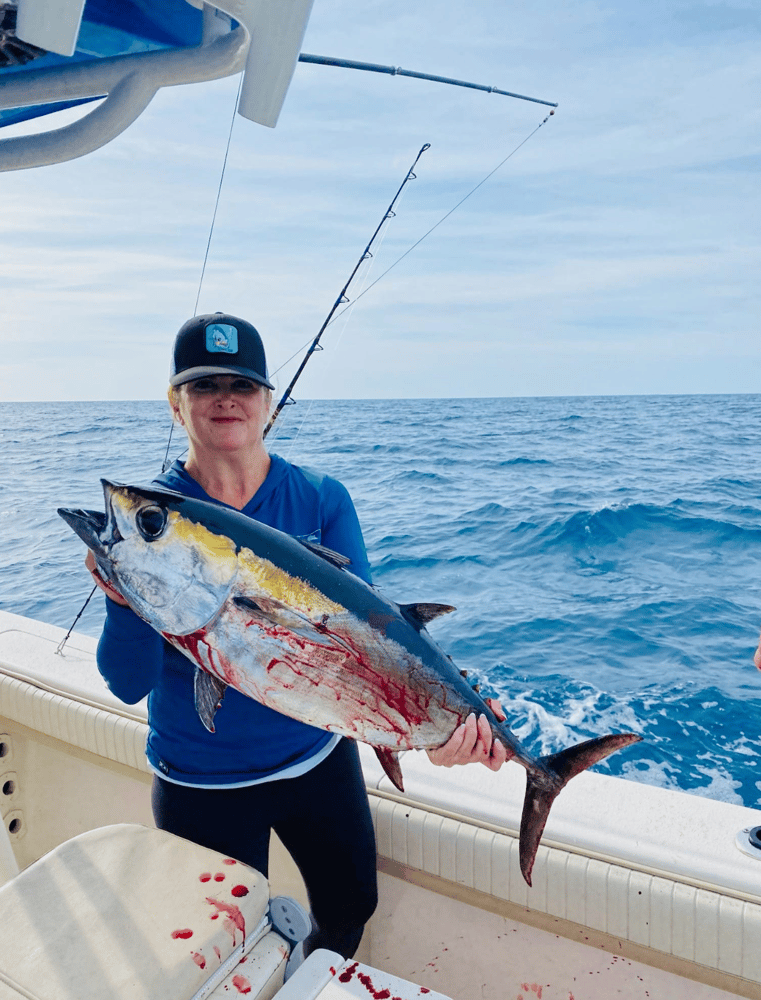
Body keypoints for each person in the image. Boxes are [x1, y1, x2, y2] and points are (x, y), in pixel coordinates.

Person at [87, 312, 510, 970]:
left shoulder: (319, 498)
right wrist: (123, 596)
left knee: (350, 905)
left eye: (243, 384)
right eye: (203, 386)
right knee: (213, 947)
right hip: (201, 780)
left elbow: (373, 644)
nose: (225, 397)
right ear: (176, 405)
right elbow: (126, 682)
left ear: (267, 404)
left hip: (317, 761)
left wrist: (445, 720)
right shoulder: (158, 518)